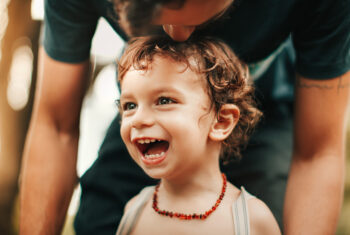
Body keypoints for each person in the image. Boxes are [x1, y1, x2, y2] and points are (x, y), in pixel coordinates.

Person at [19, 0, 350, 234]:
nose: (176, 34)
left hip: (268, 112)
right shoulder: (134, 211)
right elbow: (55, 126)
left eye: (194, 15)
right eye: (127, 105)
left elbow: (318, 153)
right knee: (97, 219)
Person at [115, 35, 280, 235]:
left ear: (221, 122)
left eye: (164, 101)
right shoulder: (134, 210)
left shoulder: (252, 220)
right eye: (130, 106)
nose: (138, 119)